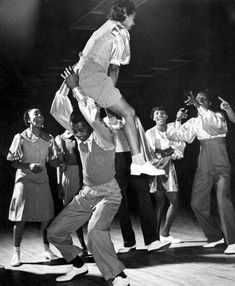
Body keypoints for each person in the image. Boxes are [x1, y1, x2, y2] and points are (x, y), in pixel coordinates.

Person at [56, 0, 161, 177]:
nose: (133, 23)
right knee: (128, 113)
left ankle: (137, 161)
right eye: (133, 18)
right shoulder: (119, 31)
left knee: (108, 116)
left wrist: (106, 98)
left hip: (85, 74)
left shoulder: (104, 27)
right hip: (93, 76)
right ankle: (137, 162)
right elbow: (114, 68)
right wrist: (110, 92)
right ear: (125, 14)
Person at [48, 67, 130, 286]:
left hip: (108, 193)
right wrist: (67, 83)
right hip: (86, 193)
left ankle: (117, 275)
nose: (78, 133)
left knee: (95, 231)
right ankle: (77, 265)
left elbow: (92, 116)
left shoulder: (104, 135)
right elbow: (57, 110)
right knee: (55, 232)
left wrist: (76, 87)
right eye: (75, 130)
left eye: (82, 129)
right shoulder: (78, 132)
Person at [167, 90, 235, 254]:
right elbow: (179, 135)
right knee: (196, 202)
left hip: (219, 156)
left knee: (222, 199)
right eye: (197, 100)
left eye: (203, 100)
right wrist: (177, 119)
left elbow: (214, 128)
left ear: (209, 103)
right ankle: (215, 236)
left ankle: (232, 240)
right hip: (203, 158)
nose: (198, 101)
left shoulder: (217, 115)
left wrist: (198, 106)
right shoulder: (194, 121)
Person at [103, 113, 170, 254]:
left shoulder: (132, 117)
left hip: (135, 157)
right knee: (121, 199)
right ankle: (129, 242)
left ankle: (152, 241)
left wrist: (147, 159)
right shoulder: (103, 121)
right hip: (115, 159)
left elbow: (142, 140)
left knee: (144, 195)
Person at [7, 108, 59, 267]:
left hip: (42, 180)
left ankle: (46, 249)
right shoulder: (20, 137)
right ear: (28, 119)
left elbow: (52, 162)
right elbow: (13, 161)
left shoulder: (49, 138)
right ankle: (16, 253)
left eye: (41, 114)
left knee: (46, 216)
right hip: (24, 179)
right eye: (35, 114)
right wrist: (28, 165)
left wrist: (59, 161)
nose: (39, 116)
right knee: (20, 216)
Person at [146, 106, 185, 244]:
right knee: (161, 203)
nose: (160, 116)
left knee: (174, 203)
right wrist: (168, 151)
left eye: (163, 113)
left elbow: (179, 151)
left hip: (169, 169)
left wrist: (167, 152)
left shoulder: (172, 130)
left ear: (167, 116)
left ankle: (164, 233)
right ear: (153, 117)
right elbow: (151, 153)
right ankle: (154, 238)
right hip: (156, 170)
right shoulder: (149, 133)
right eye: (157, 113)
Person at [55, 129, 88, 256]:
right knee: (70, 213)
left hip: (83, 174)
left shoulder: (81, 135)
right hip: (68, 176)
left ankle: (90, 245)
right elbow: (59, 164)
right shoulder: (60, 138)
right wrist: (59, 184)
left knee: (84, 211)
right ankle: (79, 247)